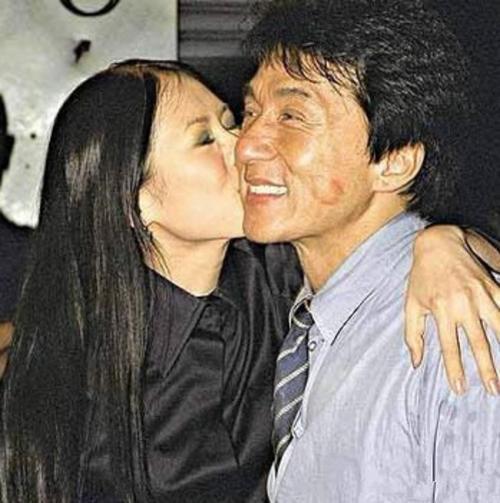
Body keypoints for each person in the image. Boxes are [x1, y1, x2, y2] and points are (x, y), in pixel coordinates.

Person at [1, 57, 498, 503]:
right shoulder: (75, 378)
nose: (243, 147)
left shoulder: (281, 276)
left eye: (230, 122)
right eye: (205, 140)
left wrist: (446, 242)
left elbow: (372, 239)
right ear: (135, 200)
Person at [236, 1, 500, 501]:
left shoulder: (457, 333)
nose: (246, 144)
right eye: (250, 112)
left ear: (395, 162)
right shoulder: (310, 312)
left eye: (292, 116)